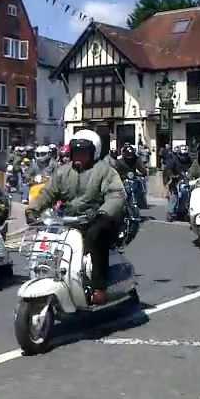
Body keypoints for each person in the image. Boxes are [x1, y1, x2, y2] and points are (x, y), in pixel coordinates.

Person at [25, 130, 125, 305]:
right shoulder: (62, 172)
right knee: (50, 239)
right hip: (71, 220)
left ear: (94, 152)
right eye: (76, 152)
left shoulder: (105, 171)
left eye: (84, 152)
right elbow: (48, 193)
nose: (79, 155)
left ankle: (99, 287)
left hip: (99, 219)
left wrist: (103, 213)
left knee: (95, 236)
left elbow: (116, 194)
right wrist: (33, 209)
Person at [163, 145, 192, 221]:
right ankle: (170, 212)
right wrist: (172, 175)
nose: (184, 157)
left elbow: (193, 168)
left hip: (186, 181)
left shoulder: (189, 160)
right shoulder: (174, 160)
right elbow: (168, 169)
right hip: (174, 180)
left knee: (187, 195)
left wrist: (192, 175)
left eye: (185, 155)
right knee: (174, 196)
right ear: (179, 153)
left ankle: (183, 211)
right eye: (182, 155)